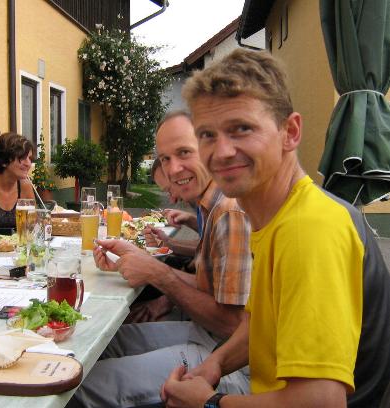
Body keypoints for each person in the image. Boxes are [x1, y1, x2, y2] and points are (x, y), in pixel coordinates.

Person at [161, 49, 390, 408]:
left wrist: (211, 403)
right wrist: (215, 364)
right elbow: (260, 325)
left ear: (290, 132)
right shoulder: (274, 216)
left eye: (242, 129)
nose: (222, 151)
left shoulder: (308, 229)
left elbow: (322, 401)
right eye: (207, 134)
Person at [67, 111, 252, 408]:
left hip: (237, 365)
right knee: (101, 343)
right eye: (165, 158)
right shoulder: (214, 205)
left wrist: (157, 273)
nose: (174, 169)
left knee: (77, 386)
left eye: (184, 152)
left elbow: (232, 325)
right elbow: (210, 287)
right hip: (209, 336)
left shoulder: (229, 211)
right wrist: (141, 262)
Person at [0, 132, 36, 235]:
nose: (28, 164)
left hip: (20, 244)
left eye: (30, 158)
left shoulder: (25, 186)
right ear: (4, 161)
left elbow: (32, 226)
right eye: (22, 158)